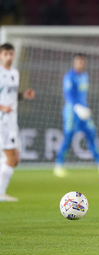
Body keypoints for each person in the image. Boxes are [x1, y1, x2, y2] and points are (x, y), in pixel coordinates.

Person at [54, 53, 99, 177]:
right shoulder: (70, 76)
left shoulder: (85, 75)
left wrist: (83, 108)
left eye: (82, 62)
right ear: (74, 63)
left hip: (84, 111)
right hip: (72, 112)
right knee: (68, 137)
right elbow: (68, 95)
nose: (81, 64)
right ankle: (59, 165)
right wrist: (77, 107)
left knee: (91, 135)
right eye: (78, 62)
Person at [0, 43, 35, 202]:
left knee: (16, 159)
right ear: (1, 55)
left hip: (12, 120)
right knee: (10, 157)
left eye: (11, 54)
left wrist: (23, 95)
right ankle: (1, 193)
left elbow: (11, 96)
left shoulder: (15, 73)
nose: (9, 57)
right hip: (2, 121)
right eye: (6, 54)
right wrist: (1, 107)